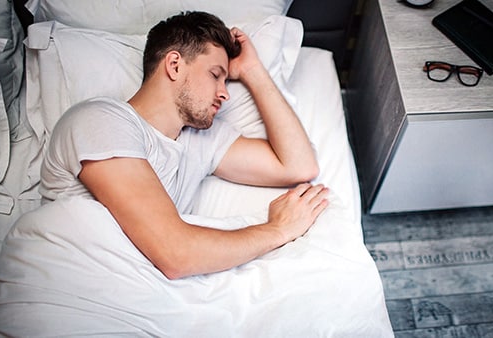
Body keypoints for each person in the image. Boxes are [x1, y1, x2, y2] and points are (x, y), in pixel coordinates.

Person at [39, 11, 329, 280]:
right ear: (175, 65)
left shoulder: (200, 142)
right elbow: (175, 254)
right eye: (215, 75)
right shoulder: (100, 120)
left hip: (132, 291)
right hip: (75, 281)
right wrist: (278, 229)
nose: (225, 93)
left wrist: (253, 71)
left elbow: (298, 165)